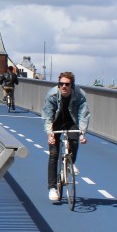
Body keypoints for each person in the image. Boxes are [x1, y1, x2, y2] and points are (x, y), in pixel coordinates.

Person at [42, 71, 90, 202]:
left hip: (71, 121)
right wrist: (49, 133)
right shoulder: (52, 95)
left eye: (67, 84)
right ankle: (52, 188)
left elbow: (83, 114)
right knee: (53, 154)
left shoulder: (79, 95)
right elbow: (47, 115)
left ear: (72, 86)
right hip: (56, 122)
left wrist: (82, 133)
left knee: (74, 140)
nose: (64, 86)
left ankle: (71, 162)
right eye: (61, 84)